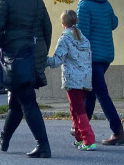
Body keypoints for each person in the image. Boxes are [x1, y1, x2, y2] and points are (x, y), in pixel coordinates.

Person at [0, 0, 53, 158]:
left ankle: (43, 145)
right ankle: (4, 137)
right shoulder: (38, 2)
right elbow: (48, 29)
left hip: (16, 57)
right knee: (17, 102)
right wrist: (41, 53)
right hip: (34, 55)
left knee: (27, 101)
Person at [76, 0, 124, 146]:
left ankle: (118, 131)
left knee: (100, 94)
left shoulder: (84, 5)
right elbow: (114, 23)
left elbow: (82, 34)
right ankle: (82, 129)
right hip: (106, 55)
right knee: (90, 93)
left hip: (92, 56)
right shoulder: (106, 3)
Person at [47, 10, 96, 151]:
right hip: (85, 78)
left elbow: (56, 61)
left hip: (73, 80)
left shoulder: (64, 39)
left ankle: (89, 140)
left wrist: (43, 60)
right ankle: (79, 138)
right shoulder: (83, 38)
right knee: (75, 109)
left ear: (63, 23)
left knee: (78, 110)